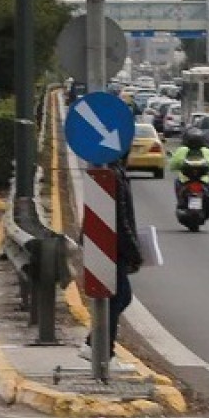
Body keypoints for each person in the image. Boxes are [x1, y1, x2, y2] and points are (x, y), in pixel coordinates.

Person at [80, 149, 142, 371]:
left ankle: (96, 346)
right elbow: (121, 220)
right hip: (110, 247)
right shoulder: (113, 175)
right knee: (118, 297)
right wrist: (134, 252)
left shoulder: (111, 172)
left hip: (106, 245)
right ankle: (102, 351)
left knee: (118, 298)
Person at [169, 128, 209, 217]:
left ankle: (182, 203)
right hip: (202, 180)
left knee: (177, 182)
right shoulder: (206, 151)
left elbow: (173, 165)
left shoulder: (182, 150)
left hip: (186, 180)